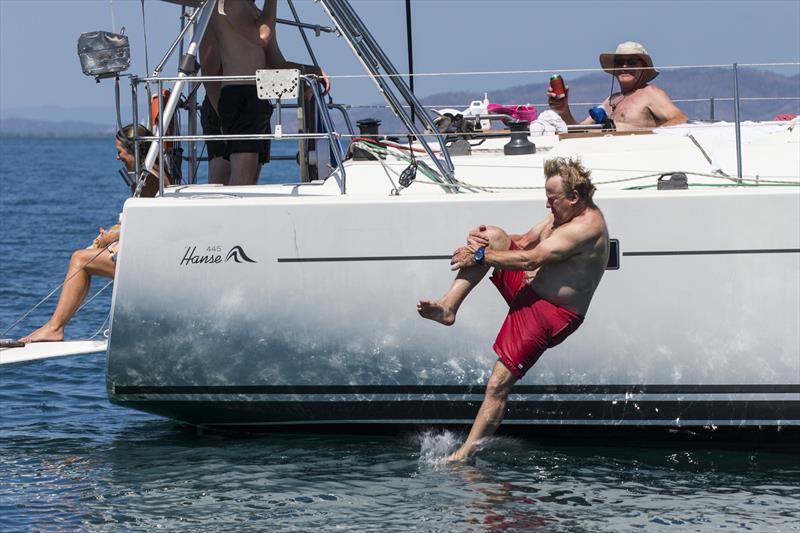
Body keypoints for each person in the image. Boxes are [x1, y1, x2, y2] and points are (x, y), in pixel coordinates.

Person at [417, 157, 609, 461]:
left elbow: (531, 260)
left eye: (552, 198)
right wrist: (479, 246)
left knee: (497, 384)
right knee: (491, 234)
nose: (547, 206)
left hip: (548, 312)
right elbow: (522, 242)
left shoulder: (584, 229)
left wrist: (481, 257)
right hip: (529, 288)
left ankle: (464, 455)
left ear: (574, 197)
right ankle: (447, 307)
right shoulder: (561, 215)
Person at [19, 125, 170, 343]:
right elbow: (142, 221)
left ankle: (54, 328)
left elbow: (146, 226)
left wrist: (111, 238)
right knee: (83, 258)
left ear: (135, 152)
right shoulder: (154, 175)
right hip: (149, 253)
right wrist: (113, 235)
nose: (117, 157)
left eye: (120, 152)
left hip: (151, 261)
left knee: (79, 259)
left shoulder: (151, 181)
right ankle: (54, 327)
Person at [204, 0, 330, 186]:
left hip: (258, 97)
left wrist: (313, 71)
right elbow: (261, 36)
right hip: (239, 95)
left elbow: (276, 62)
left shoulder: (257, 13)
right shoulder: (229, 4)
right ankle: (228, 215)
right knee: (242, 177)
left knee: (251, 176)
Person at [547, 41, 687, 131]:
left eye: (632, 62)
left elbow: (680, 119)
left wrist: (639, 132)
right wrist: (562, 109)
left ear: (643, 68)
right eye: (620, 62)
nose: (624, 66)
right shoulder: (610, 100)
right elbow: (580, 129)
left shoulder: (650, 93)